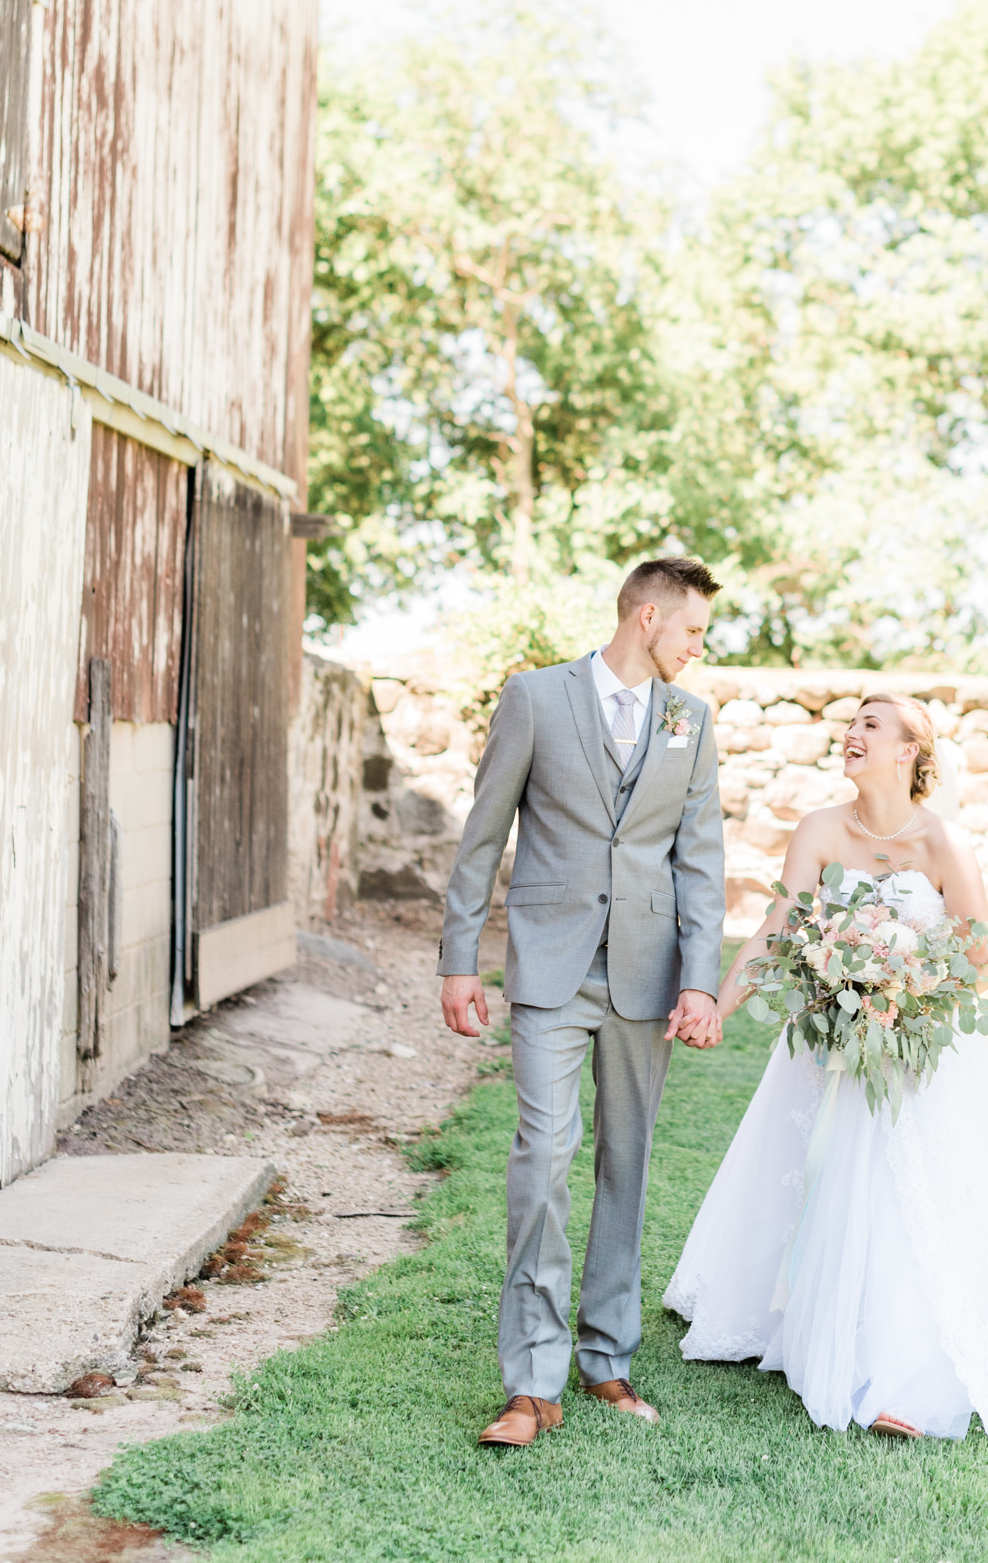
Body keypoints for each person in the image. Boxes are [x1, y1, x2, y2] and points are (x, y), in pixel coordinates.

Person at [665, 692, 988, 1442]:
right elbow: (779, 930)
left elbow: (982, 964)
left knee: (903, 1194)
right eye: (850, 723)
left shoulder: (946, 846)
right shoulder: (819, 829)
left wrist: (902, 991)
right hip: (830, 1046)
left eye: (870, 726)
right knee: (827, 1181)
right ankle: (804, 1312)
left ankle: (905, 1377)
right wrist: (718, 1003)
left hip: (917, 1052)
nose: (851, 734)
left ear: (910, 750)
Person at [439, 557, 727, 1448]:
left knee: (626, 1166)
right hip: (551, 969)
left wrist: (699, 979)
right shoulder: (534, 698)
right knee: (543, 1157)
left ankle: (606, 1361)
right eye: (693, 631)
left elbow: (700, 862)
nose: (699, 647)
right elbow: (482, 836)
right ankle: (530, 1379)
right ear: (648, 616)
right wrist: (459, 962)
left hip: (647, 975)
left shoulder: (692, 720)